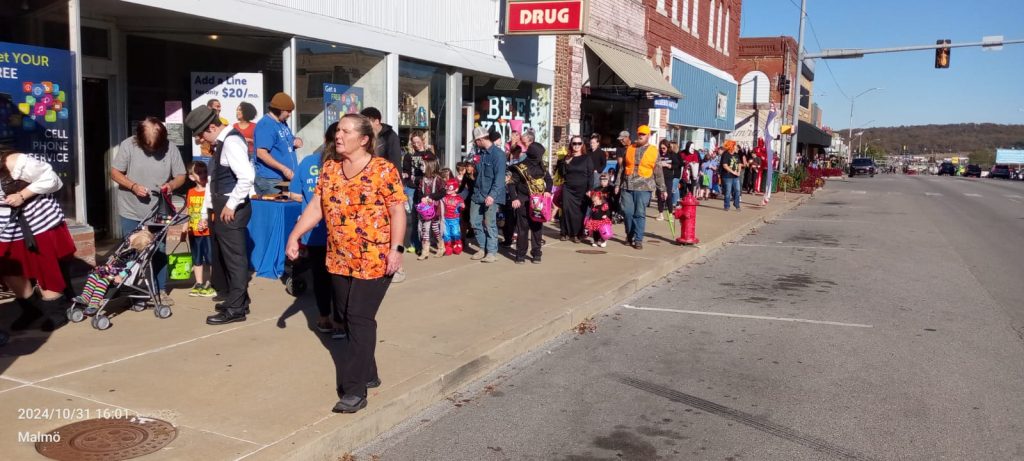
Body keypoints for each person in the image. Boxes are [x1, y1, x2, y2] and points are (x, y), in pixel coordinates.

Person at [285, 113, 407, 414]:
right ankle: (369, 372)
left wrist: (397, 248)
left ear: (364, 139)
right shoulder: (329, 169)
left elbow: (397, 211)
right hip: (339, 258)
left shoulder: (383, 170)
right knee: (345, 314)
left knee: (358, 317)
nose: (338, 135)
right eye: (337, 130)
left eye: (346, 131)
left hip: (376, 258)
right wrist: (295, 236)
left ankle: (354, 389)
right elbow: (316, 206)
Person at [185, 105, 254, 325]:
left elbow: (246, 177)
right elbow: (214, 181)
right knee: (225, 257)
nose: (201, 140)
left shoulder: (232, 142)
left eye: (201, 135)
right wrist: (208, 209)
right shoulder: (222, 143)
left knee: (235, 259)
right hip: (222, 205)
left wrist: (231, 205)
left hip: (231, 207)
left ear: (212, 127)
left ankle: (236, 309)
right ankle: (237, 299)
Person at [110, 117, 186, 303]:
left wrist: (171, 185)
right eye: (148, 147)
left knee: (158, 249)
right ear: (140, 139)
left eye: (155, 147)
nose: (152, 151)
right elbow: (115, 172)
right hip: (131, 209)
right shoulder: (128, 145)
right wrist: (133, 186)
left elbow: (181, 175)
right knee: (132, 250)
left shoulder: (171, 148)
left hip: (158, 212)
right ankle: (129, 288)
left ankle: (159, 289)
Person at [1, 145, 74, 338]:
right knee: (8, 267)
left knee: (44, 264)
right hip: (5, 224)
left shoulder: (16, 161)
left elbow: (52, 179)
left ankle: (56, 311)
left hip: (37, 219)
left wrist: (22, 195)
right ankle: (32, 308)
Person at [289, 122, 344, 338]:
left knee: (320, 276)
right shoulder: (344, 165)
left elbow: (294, 195)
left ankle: (324, 318)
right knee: (340, 279)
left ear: (324, 138)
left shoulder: (307, 162)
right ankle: (340, 321)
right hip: (339, 232)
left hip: (314, 232)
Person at [362, 107, 407, 283]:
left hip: (388, 186)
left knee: (392, 226)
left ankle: (398, 267)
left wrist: (398, 190)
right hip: (370, 188)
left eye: (367, 121)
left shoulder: (390, 136)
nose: (365, 124)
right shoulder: (367, 137)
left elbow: (396, 164)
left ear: (376, 121)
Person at [73, 229, 154, 313]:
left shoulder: (132, 258)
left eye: (131, 239)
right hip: (111, 271)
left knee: (102, 281)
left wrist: (120, 276)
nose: (129, 238)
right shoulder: (126, 251)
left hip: (117, 277)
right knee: (93, 276)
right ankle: (85, 297)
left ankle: (94, 303)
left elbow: (127, 270)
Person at [614, 125, 667, 250]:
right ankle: (629, 234)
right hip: (627, 186)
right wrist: (617, 184)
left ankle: (638, 239)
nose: (641, 136)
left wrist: (662, 189)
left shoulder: (654, 151)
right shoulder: (630, 148)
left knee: (639, 213)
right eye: (639, 134)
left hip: (644, 187)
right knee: (627, 212)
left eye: (643, 134)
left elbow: (658, 172)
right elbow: (622, 168)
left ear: (648, 136)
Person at [508, 135, 552, 264]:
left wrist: (548, 191)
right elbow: (511, 183)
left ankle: (536, 254)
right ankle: (520, 255)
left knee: (537, 228)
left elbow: (548, 180)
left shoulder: (542, 166)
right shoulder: (520, 167)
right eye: (540, 155)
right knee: (523, 229)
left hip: (538, 202)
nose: (541, 157)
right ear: (534, 154)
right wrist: (514, 198)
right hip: (523, 201)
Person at [468, 126, 506, 263]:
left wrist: (492, 195)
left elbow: (500, 178)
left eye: (475, 141)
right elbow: (477, 173)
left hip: (491, 195)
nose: (475, 144)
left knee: (490, 224)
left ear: (481, 139)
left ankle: (491, 252)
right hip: (478, 192)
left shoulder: (498, 155)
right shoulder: (479, 153)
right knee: (474, 221)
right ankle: (482, 247)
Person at [254, 92, 302, 195]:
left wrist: (296, 141)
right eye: (288, 111)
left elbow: (288, 139)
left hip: (284, 179)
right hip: (271, 180)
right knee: (276, 210)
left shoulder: (282, 122)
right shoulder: (266, 124)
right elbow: (261, 153)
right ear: (279, 110)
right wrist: (283, 169)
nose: (290, 114)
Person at [185, 162, 214, 297]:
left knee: (210, 258)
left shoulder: (210, 192)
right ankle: (199, 283)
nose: (203, 175)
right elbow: (188, 209)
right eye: (199, 173)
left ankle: (212, 282)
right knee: (196, 258)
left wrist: (208, 222)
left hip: (208, 231)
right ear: (191, 177)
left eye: (204, 172)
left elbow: (213, 210)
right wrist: (186, 225)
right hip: (194, 231)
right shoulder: (190, 192)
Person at [558, 135, 594, 243]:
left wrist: (590, 189)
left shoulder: (586, 158)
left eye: (579, 143)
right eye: (574, 143)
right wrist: (564, 163)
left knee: (579, 212)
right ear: (571, 144)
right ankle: (564, 232)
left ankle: (577, 234)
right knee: (566, 210)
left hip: (582, 189)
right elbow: (561, 173)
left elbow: (590, 175)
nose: (576, 146)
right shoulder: (567, 158)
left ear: (582, 145)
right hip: (568, 187)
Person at [415, 153, 444, 260]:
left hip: (434, 207)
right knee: (425, 228)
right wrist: (422, 197)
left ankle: (441, 246)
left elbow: (442, 192)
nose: (421, 168)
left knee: (435, 228)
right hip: (425, 209)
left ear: (430, 166)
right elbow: (419, 192)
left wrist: (432, 197)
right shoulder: (422, 179)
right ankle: (425, 250)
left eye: (423, 165)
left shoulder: (438, 179)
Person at [655, 139, 682, 220]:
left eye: (664, 148)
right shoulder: (658, 154)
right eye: (661, 148)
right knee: (660, 195)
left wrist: (668, 165)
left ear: (667, 147)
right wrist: (659, 164)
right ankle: (660, 213)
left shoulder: (672, 154)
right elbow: (654, 163)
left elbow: (677, 164)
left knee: (668, 195)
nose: (662, 150)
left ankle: (670, 213)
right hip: (659, 177)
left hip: (668, 177)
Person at [440, 179, 465, 255]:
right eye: (446, 187)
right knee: (446, 234)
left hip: (455, 219)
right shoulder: (444, 197)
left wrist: (462, 206)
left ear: (456, 189)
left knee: (455, 233)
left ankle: (457, 245)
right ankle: (448, 247)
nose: (447, 189)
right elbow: (441, 206)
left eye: (449, 187)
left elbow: (462, 208)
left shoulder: (459, 198)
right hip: (445, 219)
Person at [719, 140, 742, 211]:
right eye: (735, 146)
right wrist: (733, 172)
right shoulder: (725, 154)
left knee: (737, 190)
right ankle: (727, 206)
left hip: (735, 177)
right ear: (731, 147)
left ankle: (737, 204)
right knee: (728, 192)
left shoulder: (736, 154)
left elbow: (739, 164)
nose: (737, 148)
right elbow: (725, 165)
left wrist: (738, 171)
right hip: (727, 176)